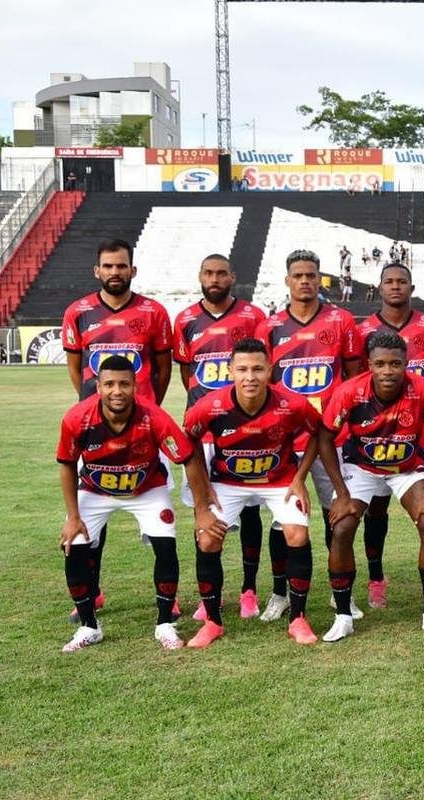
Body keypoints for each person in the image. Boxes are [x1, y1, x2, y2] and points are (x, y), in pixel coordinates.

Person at [57, 356, 211, 653]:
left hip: (146, 489)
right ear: (98, 387)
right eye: (109, 384)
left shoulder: (154, 417)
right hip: (95, 490)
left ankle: (165, 624)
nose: (117, 391)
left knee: (165, 544)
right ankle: (89, 627)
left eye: (124, 384)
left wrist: (202, 511)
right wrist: (73, 516)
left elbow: (188, 457)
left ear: (135, 386)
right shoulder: (77, 418)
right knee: (73, 545)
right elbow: (66, 464)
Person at [183, 339, 324, 648]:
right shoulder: (210, 405)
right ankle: (212, 622)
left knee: (297, 534)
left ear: (269, 371)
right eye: (242, 369)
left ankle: (298, 619)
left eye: (258, 369)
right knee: (207, 539)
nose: (250, 377)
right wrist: (203, 495)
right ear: (230, 371)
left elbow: (318, 432)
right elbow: (188, 443)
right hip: (227, 482)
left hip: (280, 481)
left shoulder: (291, 403)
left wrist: (300, 477)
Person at [316, 330, 424, 641]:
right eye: (380, 364)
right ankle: (343, 616)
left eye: (395, 364)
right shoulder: (350, 391)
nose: (388, 371)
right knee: (342, 527)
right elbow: (325, 438)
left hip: (406, 467)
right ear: (369, 365)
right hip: (361, 467)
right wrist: (342, 494)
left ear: (406, 363)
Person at [61, 238, 172, 622]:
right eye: (108, 266)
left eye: (121, 265)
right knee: (94, 508)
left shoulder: (153, 312)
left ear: (132, 270)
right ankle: (92, 592)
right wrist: (90, 405)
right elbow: (76, 369)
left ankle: (168, 595)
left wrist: (148, 408)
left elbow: (162, 369)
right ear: (97, 270)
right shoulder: (78, 312)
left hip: (143, 429)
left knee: (156, 512)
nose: (114, 272)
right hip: (95, 427)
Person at [255, 249, 365, 622]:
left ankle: (340, 593)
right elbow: (264, 382)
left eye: (311, 275)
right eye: (298, 275)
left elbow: (354, 376)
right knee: (281, 520)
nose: (305, 280)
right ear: (287, 280)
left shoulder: (340, 320)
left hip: (332, 439)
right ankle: (280, 593)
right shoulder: (270, 327)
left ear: (320, 279)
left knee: (339, 515)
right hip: (287, 440)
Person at [172, 253, 267, 621]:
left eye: (221, 273)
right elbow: (187, 373)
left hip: (245, 429)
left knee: (251, 509)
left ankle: (248, 590)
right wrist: (206, 407)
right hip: (203, 433)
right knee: (204, 511)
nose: (215, 279)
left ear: (232, 277)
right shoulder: (185, 320)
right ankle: (208, 594)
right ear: (200, 276)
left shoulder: (253, 316)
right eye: (209, 273)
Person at [355, 263, 424, 608]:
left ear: (411, 287)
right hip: (376, 436)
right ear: (379, 288)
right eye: (389, 282)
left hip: (421, 437)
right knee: (375, 510)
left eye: (402, 281)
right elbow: (358, 381)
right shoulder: (363, 329)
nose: (395, 287)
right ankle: (376, 577)